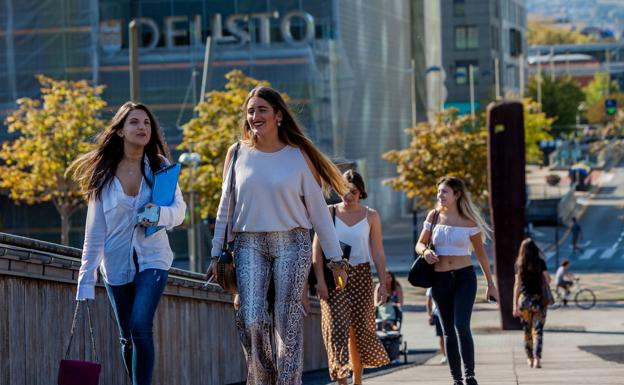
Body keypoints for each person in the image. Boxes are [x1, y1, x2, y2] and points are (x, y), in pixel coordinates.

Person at [206, 86, 349, 385]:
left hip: (292, 241)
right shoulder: (237, 154)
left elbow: (319, 212)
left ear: (279, 116)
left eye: (262, 110)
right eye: (250, 111)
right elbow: (225, 207)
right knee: (252, 318)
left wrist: (336, 260)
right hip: (248, 243)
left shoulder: (298, 156)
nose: (255, 116)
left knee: (288, 322)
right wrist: (215, 252)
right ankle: (263, 378)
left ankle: (288, 382)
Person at [70, 102, 186, 385]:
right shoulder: (104, 174)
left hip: (153, 258)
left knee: (140, 325)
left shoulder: (160, 167)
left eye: (146, 123)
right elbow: (95, 232)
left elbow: (180, 212)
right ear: (120, 131)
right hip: (116, 266)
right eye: (134, 122)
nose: (142, 127)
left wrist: (159, 213)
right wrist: (86, 281)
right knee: (127, 337)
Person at [415, 176, 499, 385]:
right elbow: (420, 244)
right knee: (448, 330)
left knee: (462, 325)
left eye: (445, 191)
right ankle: (457, 379)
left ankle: (470, 376)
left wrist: (490, 284)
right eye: (439, 191)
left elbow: (481, 255)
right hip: (439, 279)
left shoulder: (469, 221)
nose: (440, 195)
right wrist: (425, 252)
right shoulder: (433, 216)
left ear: (457, 194)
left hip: (464, 278)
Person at [313, 169, 390, 385]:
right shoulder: (329, 213)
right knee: (336, 329)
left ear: (361, 193)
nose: (348, 196)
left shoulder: (371, 215)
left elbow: (378, 251)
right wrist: (319, 280)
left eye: (353, 192)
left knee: (360, 329)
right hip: (335, 276)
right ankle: (342, 381)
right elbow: (316, 250)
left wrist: (383, 284)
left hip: (362, 276)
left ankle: (357, 380)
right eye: (344, 191)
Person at [512, 238, 551, 369]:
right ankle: (537, 359)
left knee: (527, 332)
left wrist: (514, 305)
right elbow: (548, 279)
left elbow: (517, 285)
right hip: (539, 301)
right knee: (538, 331)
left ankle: (529, 358)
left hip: (524, 301)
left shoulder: (519, 264)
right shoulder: (540, 262)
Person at [426, 288, 447, 364]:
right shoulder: (431, 288)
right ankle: (445, 355)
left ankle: (454, 354)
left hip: (450, 312)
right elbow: (429, 302)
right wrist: (429, 315)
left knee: (452, 335)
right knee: (441, 336)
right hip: (437, 313)